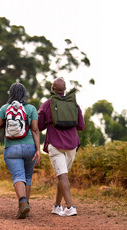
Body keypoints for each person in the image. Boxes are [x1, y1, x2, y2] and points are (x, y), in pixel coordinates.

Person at [38, 77, 85, 217]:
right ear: (64, 90)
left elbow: (40, 126)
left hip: (56, 144)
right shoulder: (74, 105)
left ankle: (70, 207)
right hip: (72, 144)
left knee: (62, 175)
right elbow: (81, 126)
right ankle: (57, 206)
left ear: (52, 89)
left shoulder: (47, 105)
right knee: (62, 174)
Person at [0, 83, 41, 219]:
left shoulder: (5, 108)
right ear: (24, 94)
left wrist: (6, 123)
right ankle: (26, 204)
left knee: (18, 176)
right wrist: (38, 150)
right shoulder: (31, 108)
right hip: (30, 147)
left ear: (10, 94)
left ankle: (22, 202)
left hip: (12, 148)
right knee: (28, 176)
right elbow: (35, 129)